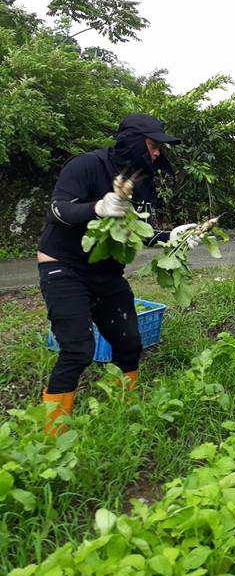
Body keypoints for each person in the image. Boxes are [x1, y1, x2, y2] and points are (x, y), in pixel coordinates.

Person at [38, 113, 197, 434]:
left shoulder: (141, 181)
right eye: (152, 145)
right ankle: (52, 436)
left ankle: (126, 411)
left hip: (106, 272)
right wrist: (96, 208)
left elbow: (136, 228)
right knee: (78, 349)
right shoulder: (87, 165)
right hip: (63, 266)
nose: (157, 152)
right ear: (133, 142)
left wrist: (170, 237)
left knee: (129, 343)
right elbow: (58, 209)